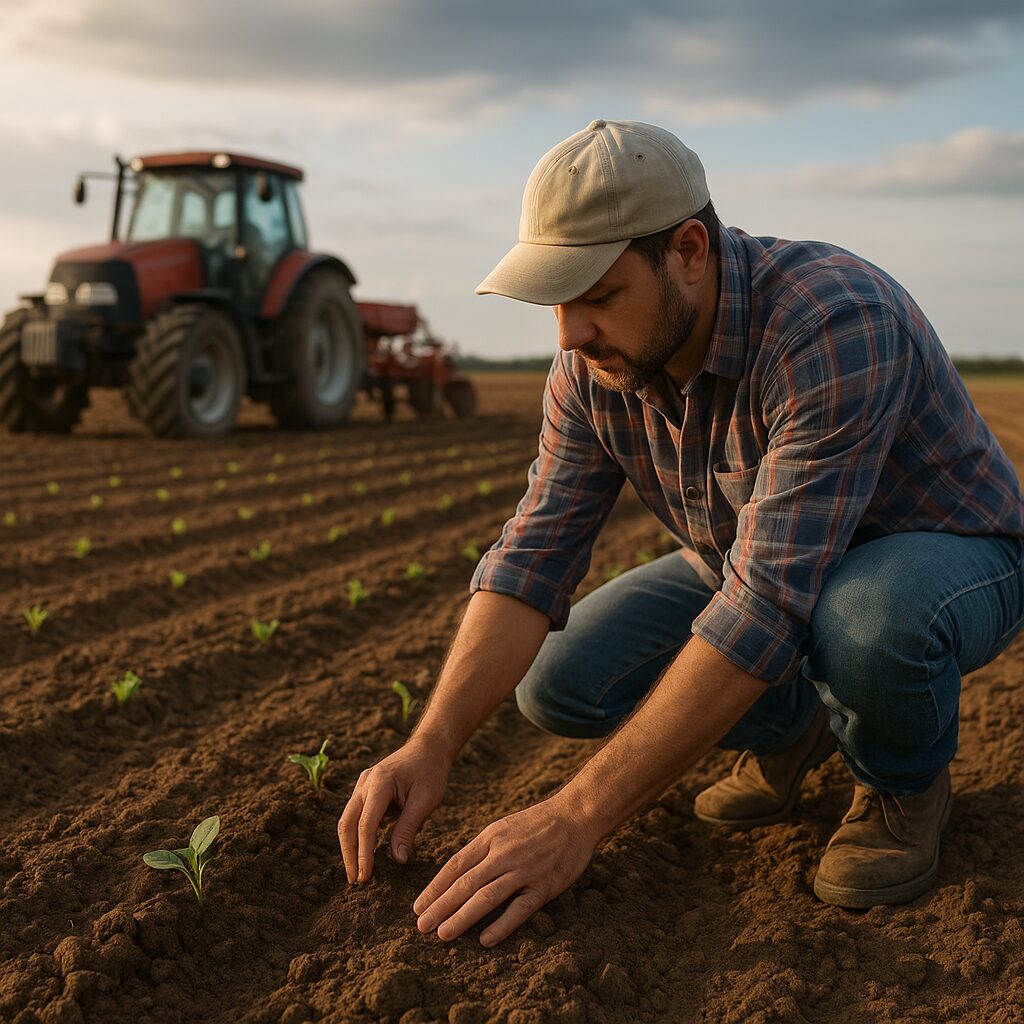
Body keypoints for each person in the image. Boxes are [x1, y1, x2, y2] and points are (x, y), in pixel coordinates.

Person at [337, 118, 1024, 947]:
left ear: (689, 251)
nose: (568, 334)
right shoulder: (590, 368)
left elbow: (767, 605)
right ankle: (795, 724)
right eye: (555, 299)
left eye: (596, 295)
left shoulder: (833, 324)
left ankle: (901, 786)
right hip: (758, 560)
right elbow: (533, 553)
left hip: (949, 555)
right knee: (560, 680)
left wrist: (577, 817)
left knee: (863, 620)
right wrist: (432, 742)